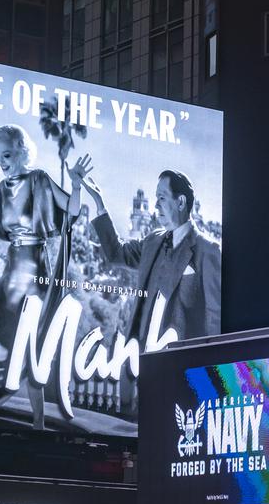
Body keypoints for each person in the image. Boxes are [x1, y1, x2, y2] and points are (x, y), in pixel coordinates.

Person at [79, 168, 221, 416]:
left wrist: (210, 379)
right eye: (154, 198)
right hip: (137, 368)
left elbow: (214, 319)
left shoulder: (208, 251)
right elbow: (116, 253)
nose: (156, 205)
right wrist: (99, 203)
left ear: (180, 202)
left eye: (162, 198)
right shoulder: (152, 241)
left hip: (181, 376)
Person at [0, 125, 92, 430]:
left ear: (21, 151)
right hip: (12, 268)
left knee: (32, 344)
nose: (3, 161)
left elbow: (71, 208)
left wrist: (77, 184)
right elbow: (3, 235)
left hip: (36, 267)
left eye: (8, 154)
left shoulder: (39, 178)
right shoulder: (2, 188)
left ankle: (39, 424)